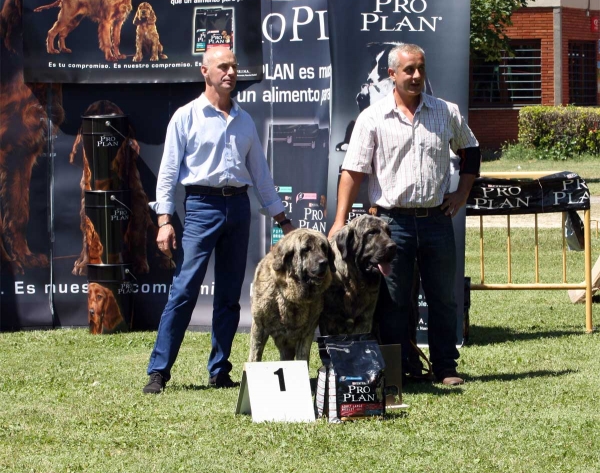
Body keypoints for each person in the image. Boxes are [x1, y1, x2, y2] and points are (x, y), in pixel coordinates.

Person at [143, 47, 294, 394]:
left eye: (234, 66)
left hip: (238, 207)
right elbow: (167, 173)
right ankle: (159, 372)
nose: (230, 72)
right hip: (200, 206)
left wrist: (283, 220)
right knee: (184, 290)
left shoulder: (245, 120)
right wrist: (164, 220)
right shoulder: (185, 117)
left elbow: (261, 174)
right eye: (222, 66)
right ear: (205, 72)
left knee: (229, 295)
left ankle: (219, 370)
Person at [329, 43, 480, 386]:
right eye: (408, 70)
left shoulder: (446, 112)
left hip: (437, 221)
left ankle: (445, 368)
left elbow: (471, 151)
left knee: (443, 297)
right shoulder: (372, 117)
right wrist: (339, 220)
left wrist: (462, 193)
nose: (415, 76)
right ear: (392, 74)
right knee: (393, 301)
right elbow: (353, 171)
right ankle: (398, 370)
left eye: (420, 69)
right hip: (391, 224)